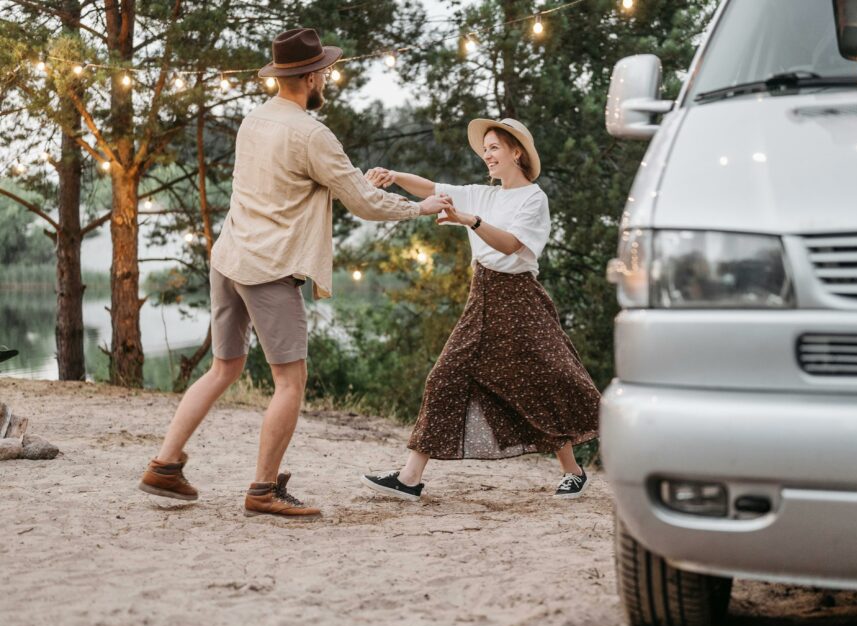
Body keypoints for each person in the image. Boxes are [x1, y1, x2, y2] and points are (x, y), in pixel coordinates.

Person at [137, 28, 452, 520]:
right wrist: (422, 207)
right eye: (323, 70)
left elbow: (299, 186)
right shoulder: (312, 133)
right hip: (269, 267)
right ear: (309, 76)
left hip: (230, 256)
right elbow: (365, 204)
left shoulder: (252, 121)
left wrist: (345, 185)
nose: (327, 76)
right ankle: (263, 490)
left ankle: (164, 465)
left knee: (224, 368)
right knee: (290, 381)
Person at [360, 118, 601, 501]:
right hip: (483, 294)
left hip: (520, 298)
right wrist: (394, 175)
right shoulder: (482, 193)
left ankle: (573, 471)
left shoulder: (533, 199)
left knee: (543, 381)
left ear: (516, 152)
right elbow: (433, 188)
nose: (486, 155)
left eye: (493, 148)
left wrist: (470, 220)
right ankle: (410, 478)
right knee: (445, 377)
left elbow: (510, 245)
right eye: (484, 149)